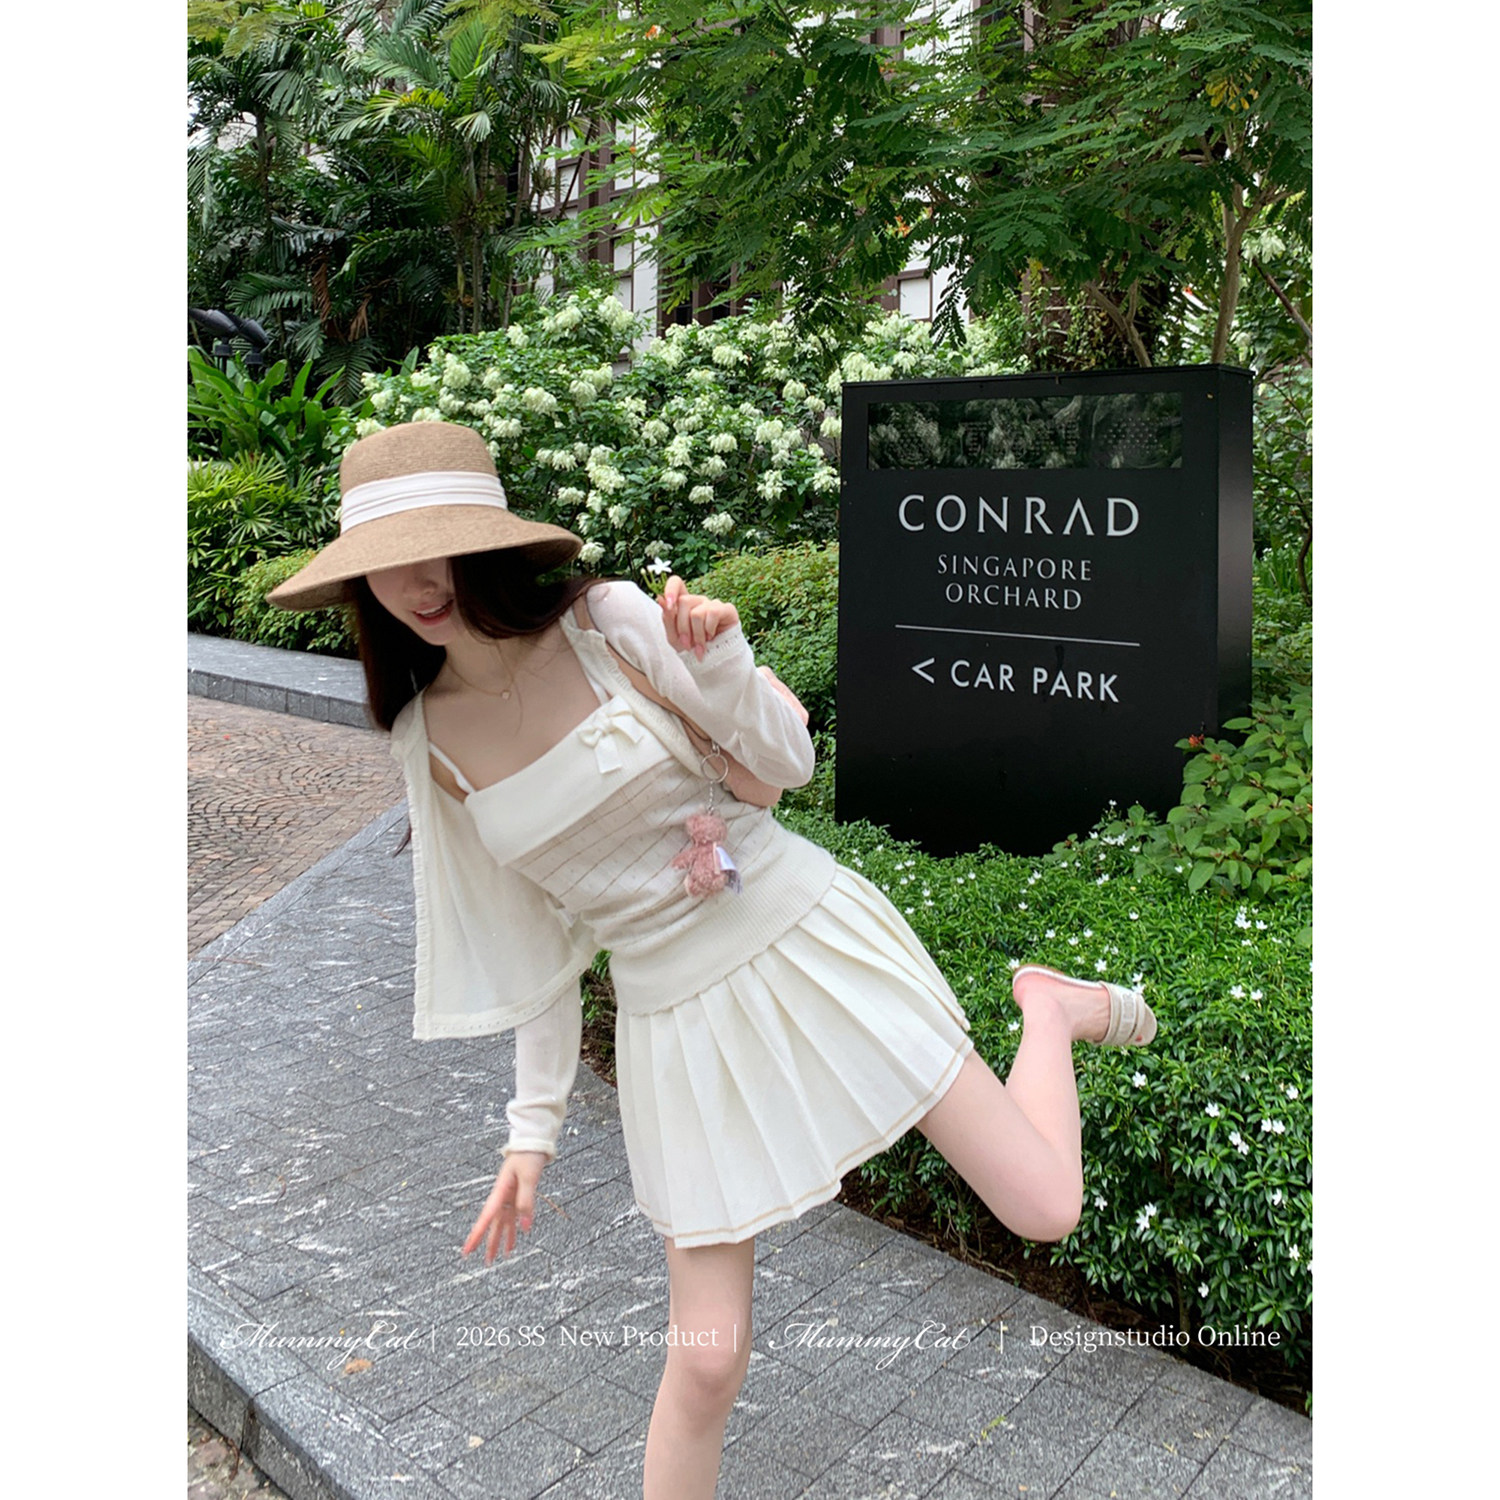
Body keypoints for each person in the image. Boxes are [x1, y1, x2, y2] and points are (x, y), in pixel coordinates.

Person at [268, 420, 1157, 1499]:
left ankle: (1049, 1011)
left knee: (1043, 1207)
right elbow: (536, 949)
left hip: (799, 937)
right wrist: (530, 1134)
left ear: (489, 546)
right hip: (670, 1020)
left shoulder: (605, 623)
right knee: (706, 1358)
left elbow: (787, 764)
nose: (419, 584)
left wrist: (722, 663)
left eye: (442, 550)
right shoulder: (430, 741)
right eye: (389, 564)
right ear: (359, 584)